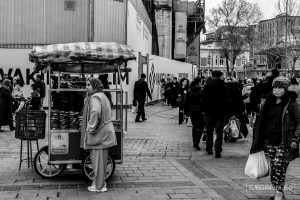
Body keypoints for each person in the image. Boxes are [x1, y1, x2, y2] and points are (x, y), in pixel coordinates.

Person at [250, 76, 300, 200]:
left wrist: (295, 138)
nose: (277, 90)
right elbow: (261, 120)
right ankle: (279, 190)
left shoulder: (291, 102)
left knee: (279, 165)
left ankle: (278, 192)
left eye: (280, 87)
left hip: (285, 140)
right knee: (275, 166)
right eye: (275, 87)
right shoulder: (267, 101)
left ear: (286, 89)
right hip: (269, 139)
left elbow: (299, 121)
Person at [81, 78, 117, 193]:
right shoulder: (103, 95)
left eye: (89, 85)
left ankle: (99, 186)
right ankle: (100, 183)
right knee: (100, 161)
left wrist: (90, 127)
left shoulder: (95, 97)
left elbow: (96, 111)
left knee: (98, 162)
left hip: (100, 134)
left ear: (94, 86)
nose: (87, 87)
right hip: (105, 133)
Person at [201, 70, 231, 158]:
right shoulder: (224, 86)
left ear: (212, 75)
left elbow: (203, 100)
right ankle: (218, 150)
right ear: (220, 76)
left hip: (209, 112)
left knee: (209, 131)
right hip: (220, 113)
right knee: (219, 132)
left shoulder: (207, 86)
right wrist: (228, 112)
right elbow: (227, 100)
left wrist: (203, 110)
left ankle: (209, 148)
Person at [184, 77, 204, 150]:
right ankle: (197, 141)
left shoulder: (189, 91)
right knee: (201, 127)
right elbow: (203, 102)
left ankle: (194, 141)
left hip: (192, 111)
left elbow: (186, 102)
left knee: (195, 126)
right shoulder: (201, 91)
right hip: (200, 111)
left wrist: (186, 112)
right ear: (199, 82)